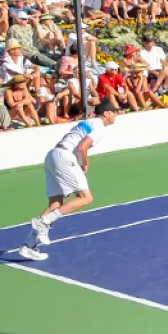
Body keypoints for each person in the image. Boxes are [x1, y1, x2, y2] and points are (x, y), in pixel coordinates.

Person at [18, 109, 118, 261]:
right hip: (64, 157)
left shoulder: (88, 122)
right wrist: (85, 163)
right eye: (114, 112)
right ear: (106, 113)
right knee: (86, 198)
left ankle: (28, 246)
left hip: (52, 156)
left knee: (55, 204)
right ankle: (44, 221)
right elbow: (82, 147)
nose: (116, 116)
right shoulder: (99, 127)